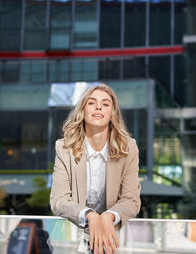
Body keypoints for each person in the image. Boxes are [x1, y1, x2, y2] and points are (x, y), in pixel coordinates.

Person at [50, 84, 141, 254]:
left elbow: (131, 200)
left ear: (112, 113)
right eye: (92, 103)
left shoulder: (129, 148)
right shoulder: (64, 148)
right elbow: (59, 201)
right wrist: (90, 215)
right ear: (82, 110)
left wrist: (109, 216)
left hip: (114, 239)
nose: (99, 106)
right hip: (71, 239)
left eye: (106, 104)